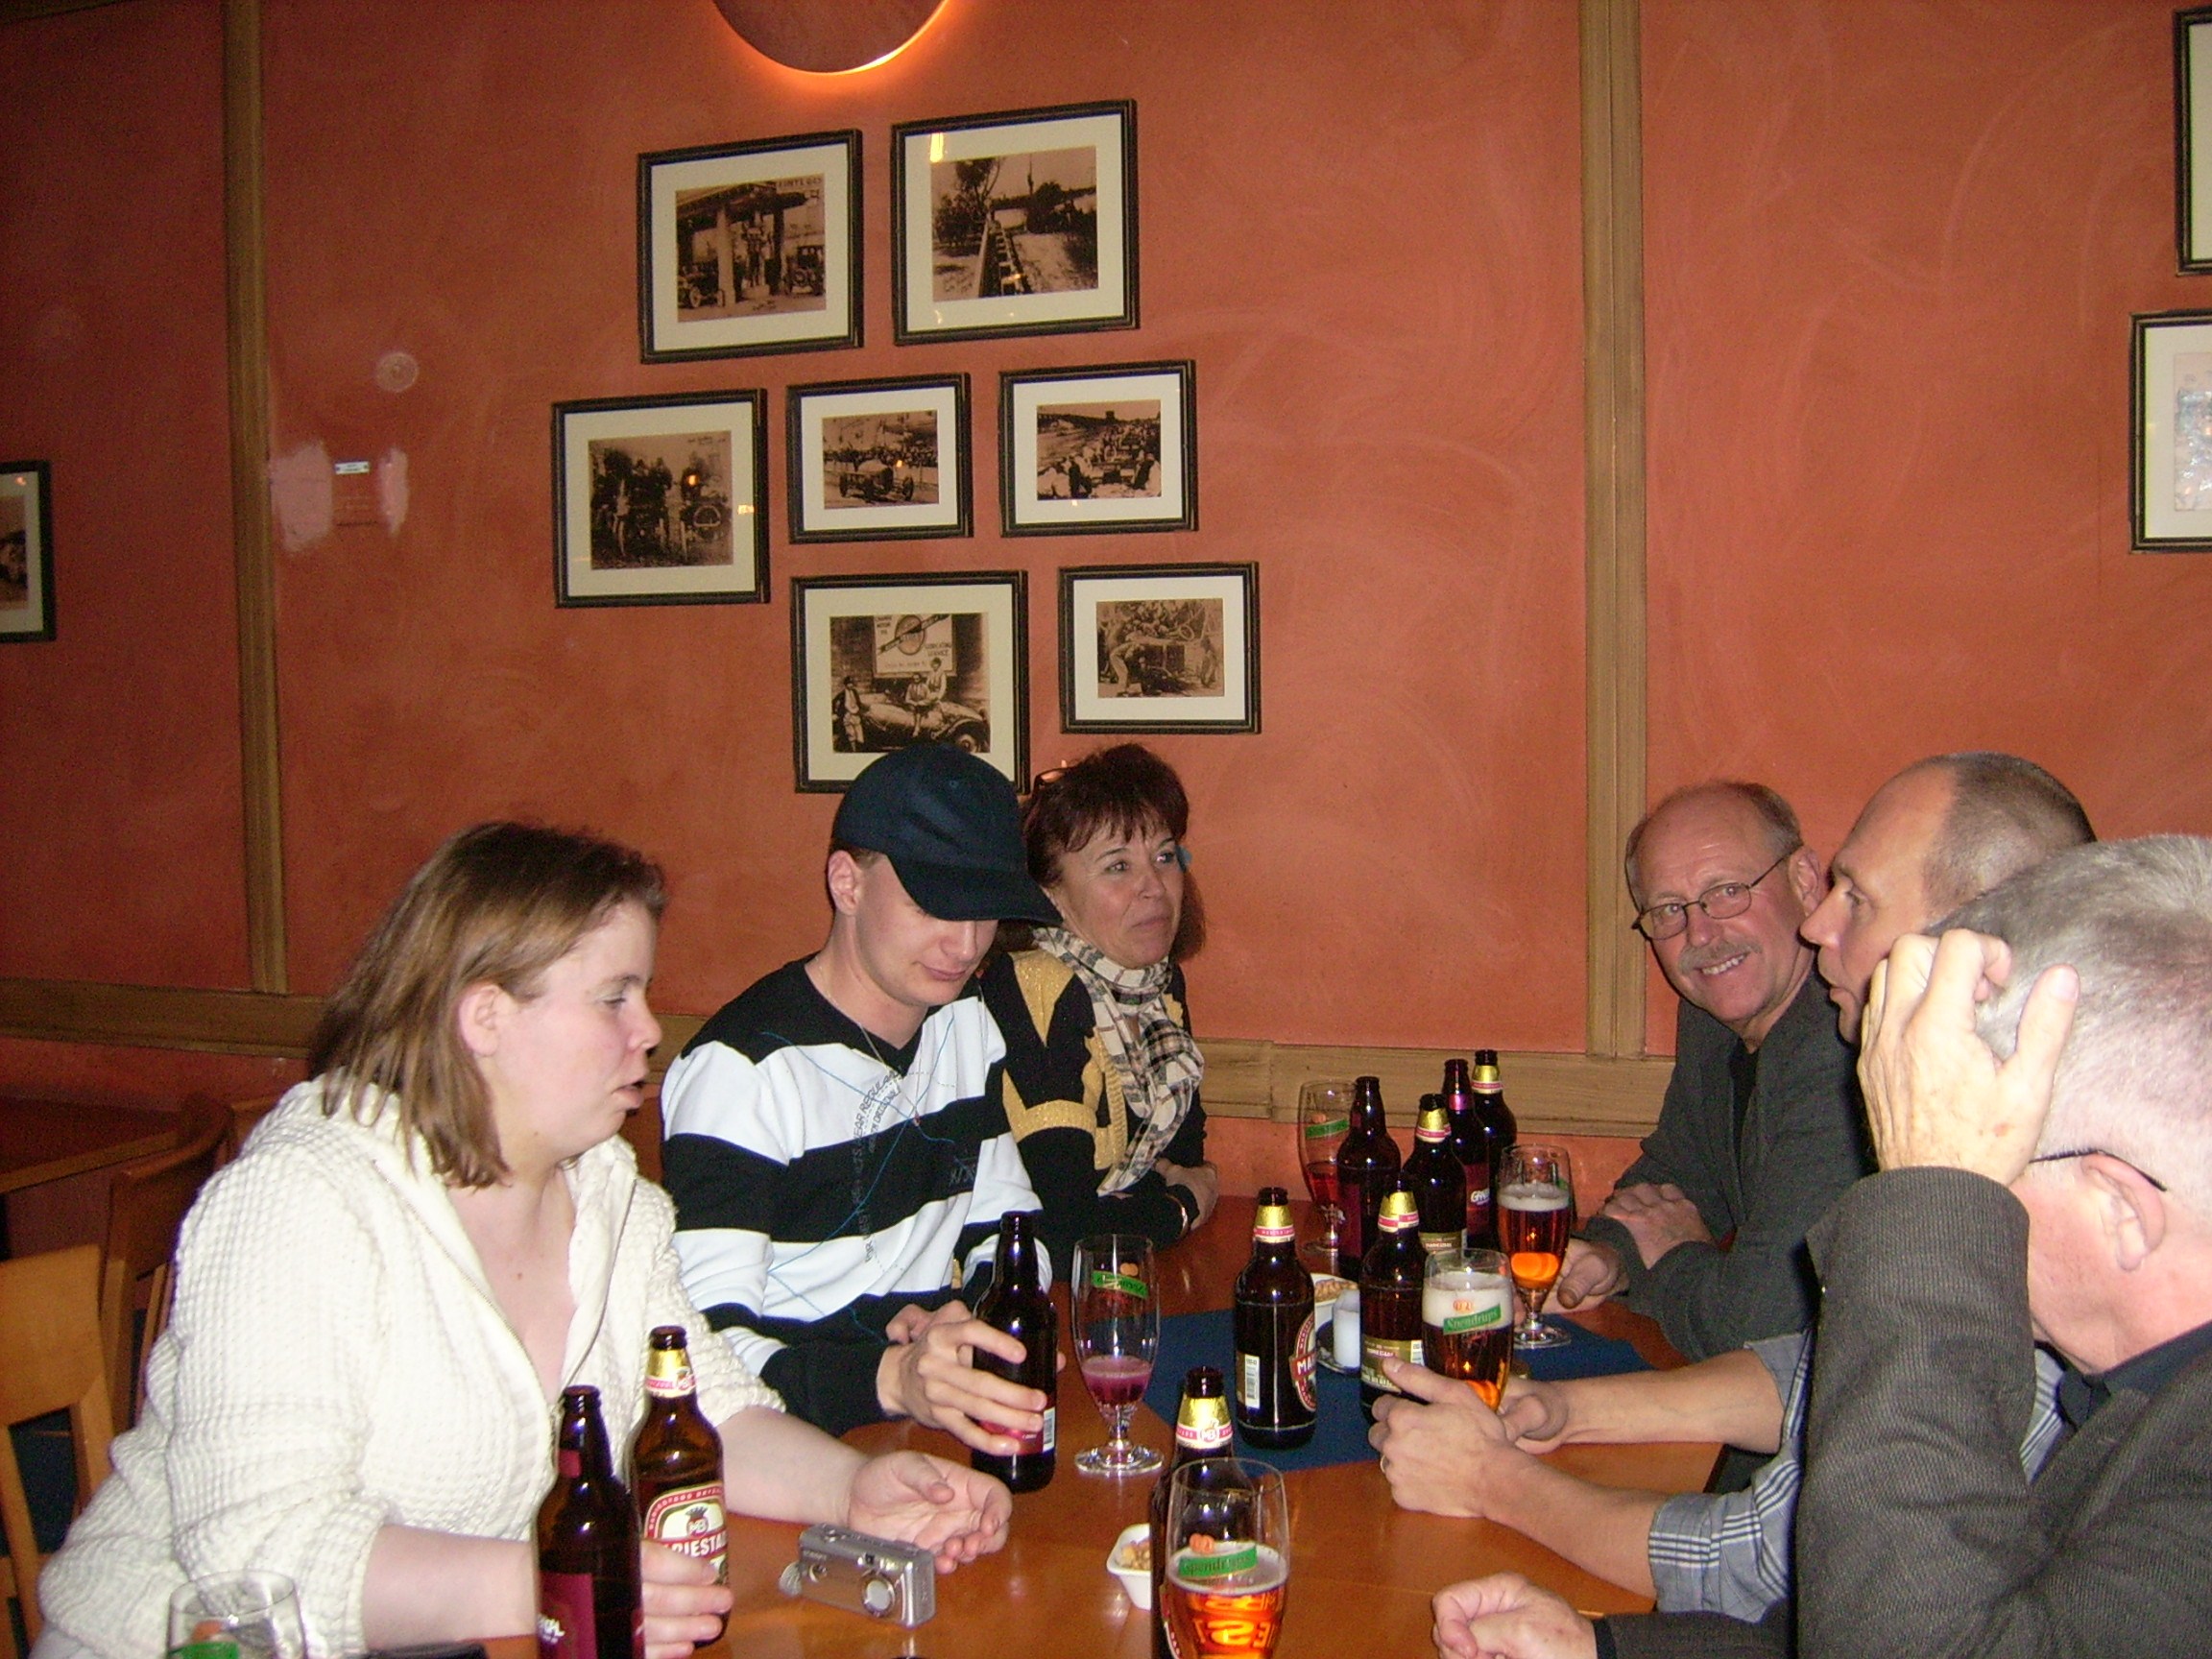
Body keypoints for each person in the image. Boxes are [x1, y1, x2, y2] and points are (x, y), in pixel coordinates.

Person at [31, 823, 1009, 1659]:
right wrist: (558, 1582)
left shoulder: (608, 1195)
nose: (648, 1032)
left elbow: (705, 1412)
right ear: (486, 1016)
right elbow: (261, 1555)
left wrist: (851, 1487)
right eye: (614, 997)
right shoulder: (301, 1204)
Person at [1432, 834, 2212, 1658]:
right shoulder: (2127, 1392)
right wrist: (1606, 1651)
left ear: (2124, 1213)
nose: (1819, 928)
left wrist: (1931, 1204)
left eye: (1979, 1170)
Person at [1376, 753, 2091, 1621]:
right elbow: (1827, 1362)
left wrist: (1492, 1477)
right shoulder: (1741, 1015)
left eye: (1855, 899)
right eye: (1668, 912)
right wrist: (1571, 1390)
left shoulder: (1901, 1095)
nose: (1820, 925)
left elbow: (1761, 1549)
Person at [660, 743, 1062, 1451]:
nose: (965, 945)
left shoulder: (965, 1022)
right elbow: (700, 1352)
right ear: (846, 883)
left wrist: (971, 1317)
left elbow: (1012, 1226)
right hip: (782, 1440)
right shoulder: (744, 1071)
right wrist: (888, 1377)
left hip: (919, 1415)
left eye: (985, 912)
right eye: (932, 906)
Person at [1556, 781, 1870, 1361]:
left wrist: (1670, 1257)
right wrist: (1610, 1255)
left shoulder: (1844, 1051)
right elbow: (1680, 1171)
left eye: (1727, 892)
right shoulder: (1713, 1017)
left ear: (1805, 881)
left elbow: (1759, 1324)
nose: (1700, 935)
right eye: (1669, 910)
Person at [976, 746, 1219, 1276]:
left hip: (1125, 1279)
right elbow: (1064, 1232)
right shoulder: (1034, 986)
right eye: (1117, 866)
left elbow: (1182, 1157)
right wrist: (1182, 1206)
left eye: (1164, 856)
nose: (1154, 887)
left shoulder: (1157, 987)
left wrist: (1159, 1199)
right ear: (1051, 895)